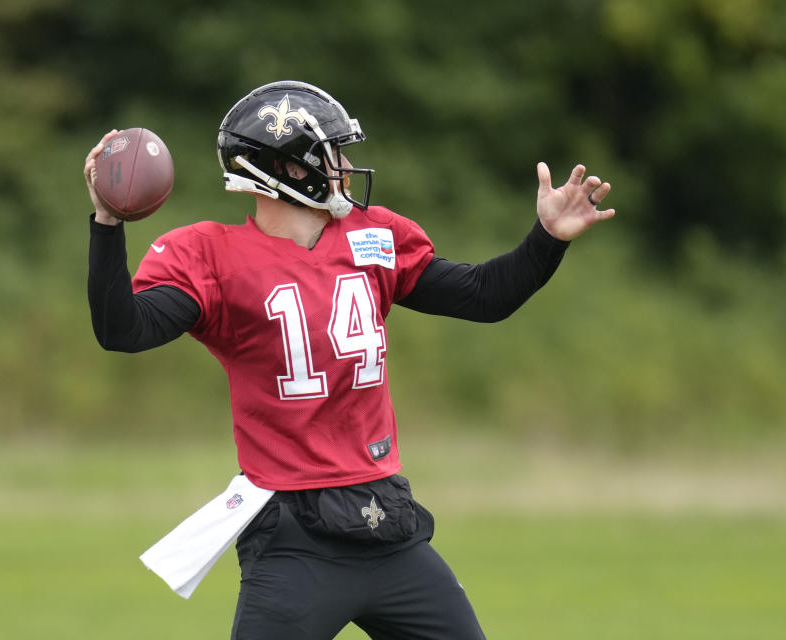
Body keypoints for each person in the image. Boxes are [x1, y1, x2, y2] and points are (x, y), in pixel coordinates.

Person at [85, 80, 614, 640]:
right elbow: (124, 330)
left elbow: (485, 297)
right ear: (289, 168)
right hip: (293, 538)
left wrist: (547, 238)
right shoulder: (213, 256)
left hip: (385, 523)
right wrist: (107, 224)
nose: (345, 166)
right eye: (332, 154)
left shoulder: (375, 236)